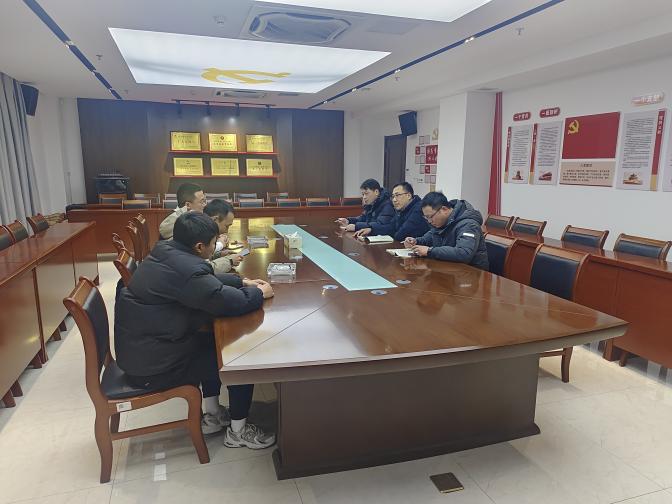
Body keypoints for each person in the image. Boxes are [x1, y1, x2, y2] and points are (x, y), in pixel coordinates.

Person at [114, 212, 276, 448]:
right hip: (155, 367)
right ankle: (238, 433)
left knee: (212, 341)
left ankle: (213, 414)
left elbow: (205, 282)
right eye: (214, 243)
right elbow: (226, 302)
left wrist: (242, 282)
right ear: (200, 246)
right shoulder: (186, 269)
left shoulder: (165, 252)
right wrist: (259, 293)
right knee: (240, 359)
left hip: (143, 350)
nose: (216, 247)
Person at [404, 191, 489, 270]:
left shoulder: (468, 224)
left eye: (430, 216)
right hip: (449, 269)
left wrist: (429, 251)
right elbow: (430, 237)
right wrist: (416, 241)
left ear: (444, 209)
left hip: (472, 273)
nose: (429, 221)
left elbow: (463, 253)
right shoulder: (442, 222)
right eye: (426, 218)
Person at [353, 181, 429, 241]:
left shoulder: (419, 208)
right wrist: (371, 229)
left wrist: (391, 233)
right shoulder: (402, 209)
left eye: (397, 195)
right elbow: (391, 227)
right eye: (393, 196)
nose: (394, 200)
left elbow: (400, 234)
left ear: (408, 196)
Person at [203, 199, 244, 272]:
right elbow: (204, 269)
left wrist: (219, 255)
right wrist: (230, 261)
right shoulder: (199, 235)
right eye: (226, 226)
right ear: (215, 220)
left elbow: (203, 260)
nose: (226, 231)